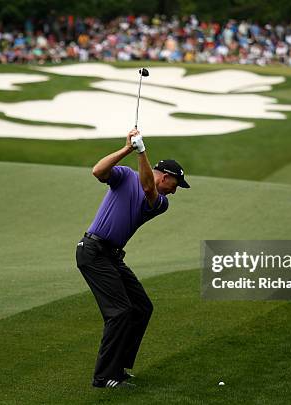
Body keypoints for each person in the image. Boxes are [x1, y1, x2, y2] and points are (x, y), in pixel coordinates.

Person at [76, 128, 190, 389]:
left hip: (112, 256)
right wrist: (127, 149)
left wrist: (141, 151)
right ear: (167, 177)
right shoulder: (125, 175)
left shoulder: (160, 202)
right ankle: (104, 377)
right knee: (120, 312)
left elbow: (148, 187)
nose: (175, 191)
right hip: (93, 252)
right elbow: (98, 171)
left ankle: (119, 367)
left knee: (141, 307)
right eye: (176, 184)